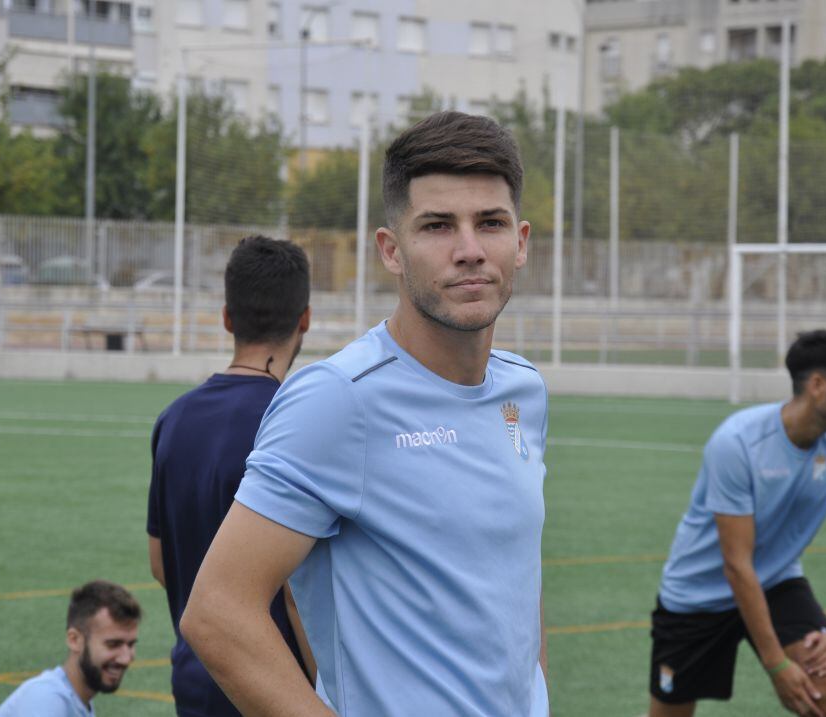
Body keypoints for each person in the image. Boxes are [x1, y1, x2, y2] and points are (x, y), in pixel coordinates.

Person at [179, 111, 549, 716]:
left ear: (522, 241)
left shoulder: (524, 390)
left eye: (490, 223)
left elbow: (517, 580)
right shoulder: (336, 399)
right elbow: (218, 612)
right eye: (436, 226)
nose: (469, 250)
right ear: (391, 250)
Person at [647, 329, 826, 717]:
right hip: (697, 594)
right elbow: (737, 564)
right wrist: (777, 666)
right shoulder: (737, 442)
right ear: (818, 386)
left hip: (775, 581)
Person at [147, 235, 314, 717]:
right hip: (271, 689)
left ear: (226, 317)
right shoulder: (293, 423)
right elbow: (297, 590)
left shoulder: (173, 418)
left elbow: (160, 563)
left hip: (196, 675)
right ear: (304, 319)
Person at [0, 580, 142, 717]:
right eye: (113, 644)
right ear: (74, 640)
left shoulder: (78, 703)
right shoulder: (45, 699)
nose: (126, 658)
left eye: (131, 645)